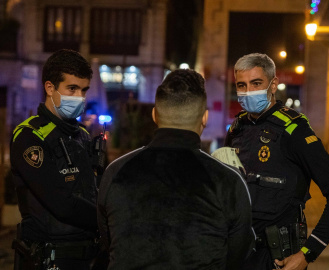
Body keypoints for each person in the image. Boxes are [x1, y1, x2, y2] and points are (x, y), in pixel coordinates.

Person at [97, 69, 255, 270]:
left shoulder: (115, 172)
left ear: (155, 115)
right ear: (204, 118)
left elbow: (107, 243)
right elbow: (238, 255)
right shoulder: (229, 181)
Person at [225, 53, 329, 270]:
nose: (248, 91)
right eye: (242, 85)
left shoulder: (294, 130)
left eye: (256, 83)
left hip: (278, 260)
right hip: (238, 257)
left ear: (273, 84)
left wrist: (306, 254)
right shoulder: (237, 130)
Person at [10, 49, 100, 270]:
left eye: (84, 90)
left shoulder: (82, 135)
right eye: (72, 88)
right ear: (50, 88)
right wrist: (108, 218)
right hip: (48, 259)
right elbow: (61, 203)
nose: (80, 97)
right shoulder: (30, 136)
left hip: (87, 257)